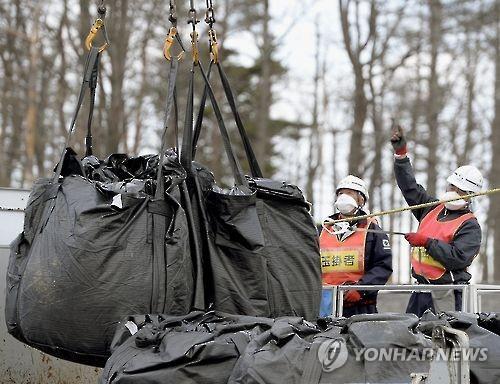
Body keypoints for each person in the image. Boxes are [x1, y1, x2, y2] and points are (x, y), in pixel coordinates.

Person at [390, 124, 482, 316]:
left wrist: (426, 242)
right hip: (420, 291)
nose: (452, 192)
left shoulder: (470, 225)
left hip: (447, 293)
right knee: (412, 340)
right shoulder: (431, 207)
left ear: (470, 195)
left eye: (459, 190)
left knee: (443, 342)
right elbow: (410, 188)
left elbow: (457, 258)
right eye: (451, 187)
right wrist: (401, 156)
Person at [320, 175, 393, 317]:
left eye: (349, 193)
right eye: (341, 193)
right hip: (325, 306)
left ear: (361, 199)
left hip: (360, 306)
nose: (343, 197)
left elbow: (383, 266)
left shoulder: (372, 231)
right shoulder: (324, 229)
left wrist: (361, 289)